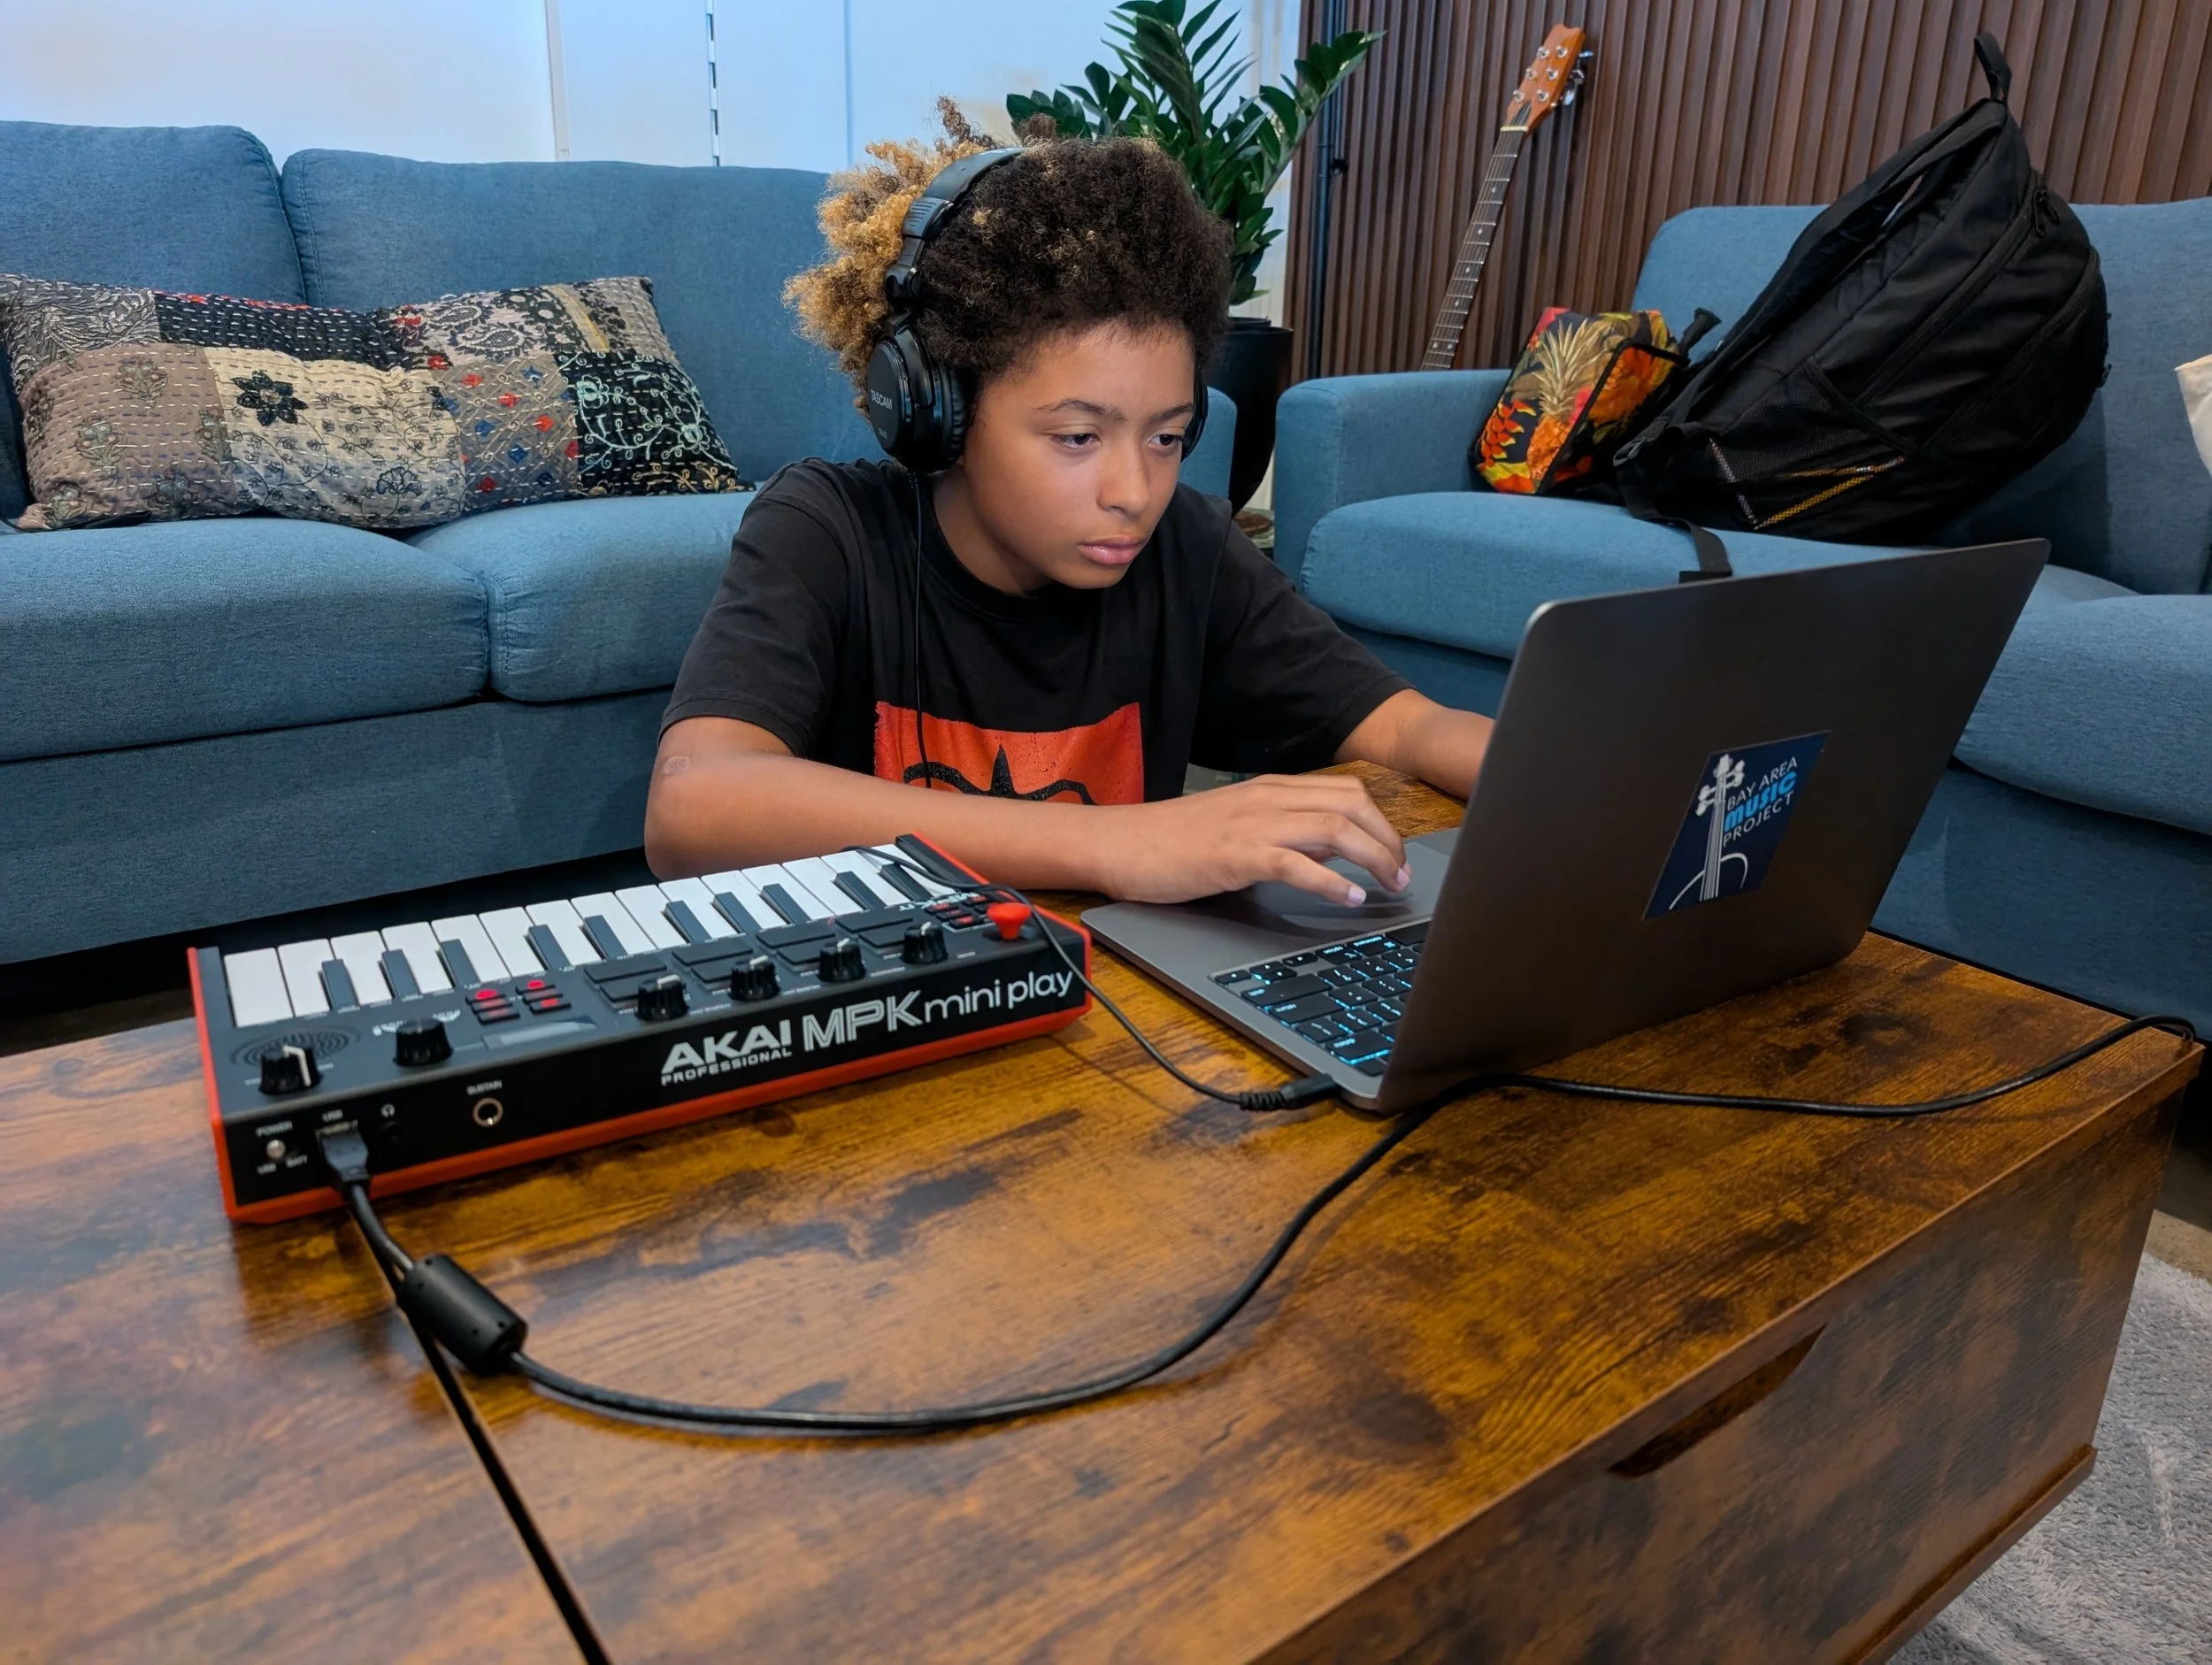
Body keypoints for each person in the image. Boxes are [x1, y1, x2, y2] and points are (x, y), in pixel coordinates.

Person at [648, 106, 1493, 907]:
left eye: (1166, 438)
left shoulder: (1186, 550)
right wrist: (1115, 842)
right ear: (939, 413)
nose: (1134, 494)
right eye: (1078, 438)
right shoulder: (825, 531)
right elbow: (694, 810)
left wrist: (1581, 777)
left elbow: (1408, 730)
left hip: (1116, 1003)